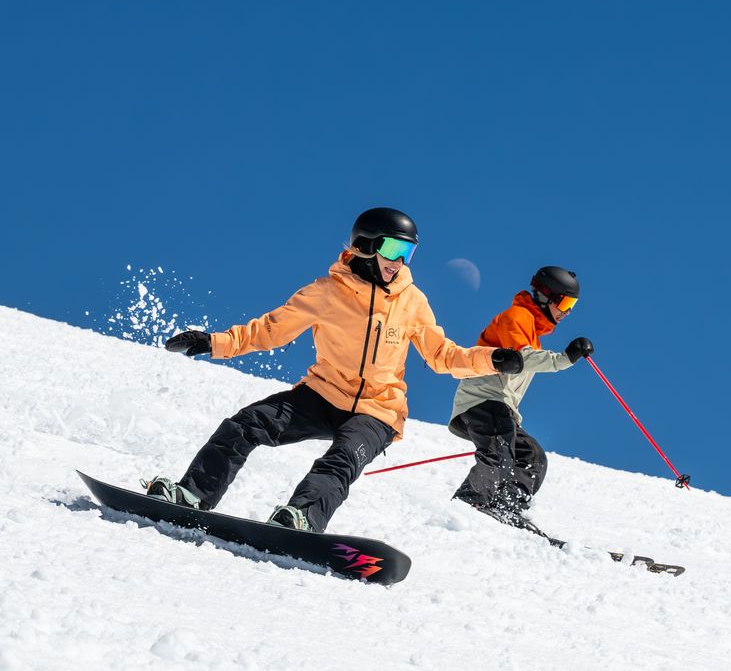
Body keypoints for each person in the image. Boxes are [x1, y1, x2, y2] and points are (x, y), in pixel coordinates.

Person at [145, 207, 524, 533]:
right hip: (322, 395)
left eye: (408, 251)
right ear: (366, 245)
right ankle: (193, 494)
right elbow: (269, 331)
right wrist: (214, 342)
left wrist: (490, 360)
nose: (399, 261)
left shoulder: (412, 302)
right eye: (393, 248)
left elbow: (442, 355)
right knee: (245, 425)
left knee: (340, 460)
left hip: (378, 410)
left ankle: (301, 519)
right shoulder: (326, 292)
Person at [448, 266, 594, 527]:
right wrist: (565, 359)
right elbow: (521, 357)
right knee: (500, 452)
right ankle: (470, 502)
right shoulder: (516, 317)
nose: (568, 312)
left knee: (533, 457)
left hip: (501, 411)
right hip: (482, 402)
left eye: (573, 305)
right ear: (546, 296)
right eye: (566, 302)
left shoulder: (533, 332)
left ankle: (508, 507)